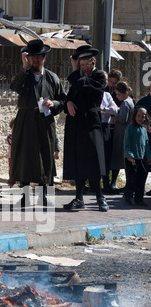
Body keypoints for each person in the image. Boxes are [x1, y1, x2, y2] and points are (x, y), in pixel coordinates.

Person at [9, 38, 66, 207]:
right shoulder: (24, 75)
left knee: (44, 157)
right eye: (32, 56)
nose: (36, 59)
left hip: (45, 121)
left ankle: (42, 196)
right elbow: (14, 87)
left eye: (39, 56)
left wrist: (53, 104)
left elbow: (62, 100)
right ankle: (25, 197)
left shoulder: (52, 77)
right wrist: (24, 68)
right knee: (24, 158)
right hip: (25, 121)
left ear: (44, 58)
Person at [62, 44, 108, 212]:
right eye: (81, 65)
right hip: (76, 125)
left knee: (93, 161)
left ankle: (100, 197)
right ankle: (79, 197)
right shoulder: (78, 79)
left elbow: (87, 87)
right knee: (78, 161)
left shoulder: (99, 77)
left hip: (91, 124)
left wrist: (75, 71)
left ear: (93, 61)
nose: (83, 68)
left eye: (86, 64)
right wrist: (69, 102)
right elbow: (70, 95)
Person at [123, 107, 151, 206]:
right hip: (132, 158)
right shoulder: (130, 128)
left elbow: (146, 144)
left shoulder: (144, 130)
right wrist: (129, 155)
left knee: (142, 178)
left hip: (141, 158)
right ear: (134, 116)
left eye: (143, 116)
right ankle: (128, 197)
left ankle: (139, 199)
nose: (140, 118)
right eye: (138, 115)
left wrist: (149, 156)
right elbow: (127, 143)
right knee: (132, 179)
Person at [110, 81, 134, 192]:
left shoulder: (125, 103)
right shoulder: (130, 101)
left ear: (125, 93)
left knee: (118, 160)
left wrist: (115, 113)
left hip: (121, 134)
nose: (117, 96)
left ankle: (113, 183)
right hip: (126, 134)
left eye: (118, 94)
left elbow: (123, 119)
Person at [100, 72, 118, 193]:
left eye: (106, 80)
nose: (106, 82)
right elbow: (96, 110)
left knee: (106, 157)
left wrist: (105, 110)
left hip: (105, 127)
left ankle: (106, 185)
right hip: (95, 127)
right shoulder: (93, 93)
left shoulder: (107, 95)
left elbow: (115, 109)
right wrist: (106, 111)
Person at [6, 118, 15, 186]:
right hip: (11, 156)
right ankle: (11, 180)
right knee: (11, 168)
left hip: (19, 156)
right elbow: (11, 143)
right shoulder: (10, 137)